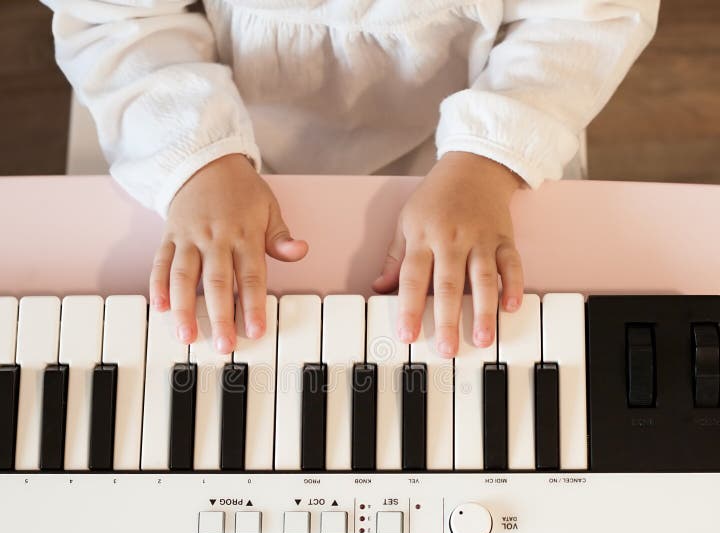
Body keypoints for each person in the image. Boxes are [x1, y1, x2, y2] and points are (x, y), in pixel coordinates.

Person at [43, 0, 658, 355]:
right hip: (193, 113)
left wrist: (487, 158)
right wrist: (196, 157)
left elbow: (587, 19)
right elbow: (117, 20)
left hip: (486, 116)